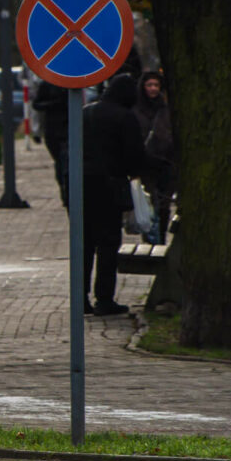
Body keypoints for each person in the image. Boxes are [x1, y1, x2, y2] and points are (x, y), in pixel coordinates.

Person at [81, 74, 149, 316]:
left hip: (80, 186)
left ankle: (81, 298)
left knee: (84, 243)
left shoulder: (86, 112)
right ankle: (104, 298)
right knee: (108, 244)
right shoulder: (125, 117)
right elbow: (134, 156)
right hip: (109, 188)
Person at [133, 70, 175, 244]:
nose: (153, 89)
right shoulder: (136, 110)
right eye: (149, 85)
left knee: (164, 205)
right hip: (145, 165)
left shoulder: (166, 110)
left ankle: (161, 237)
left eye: (156, 85)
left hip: (165, 163)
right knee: (148, 204)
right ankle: (150, 239)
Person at [32, 78, 70, 206]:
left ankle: (68, 191)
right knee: (60, 162)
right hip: (53, 130)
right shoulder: (47, 84)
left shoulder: (71, 82)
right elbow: (36, 104)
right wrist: (53, 104)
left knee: (67, 162)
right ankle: (64, 191)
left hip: (68, 129)